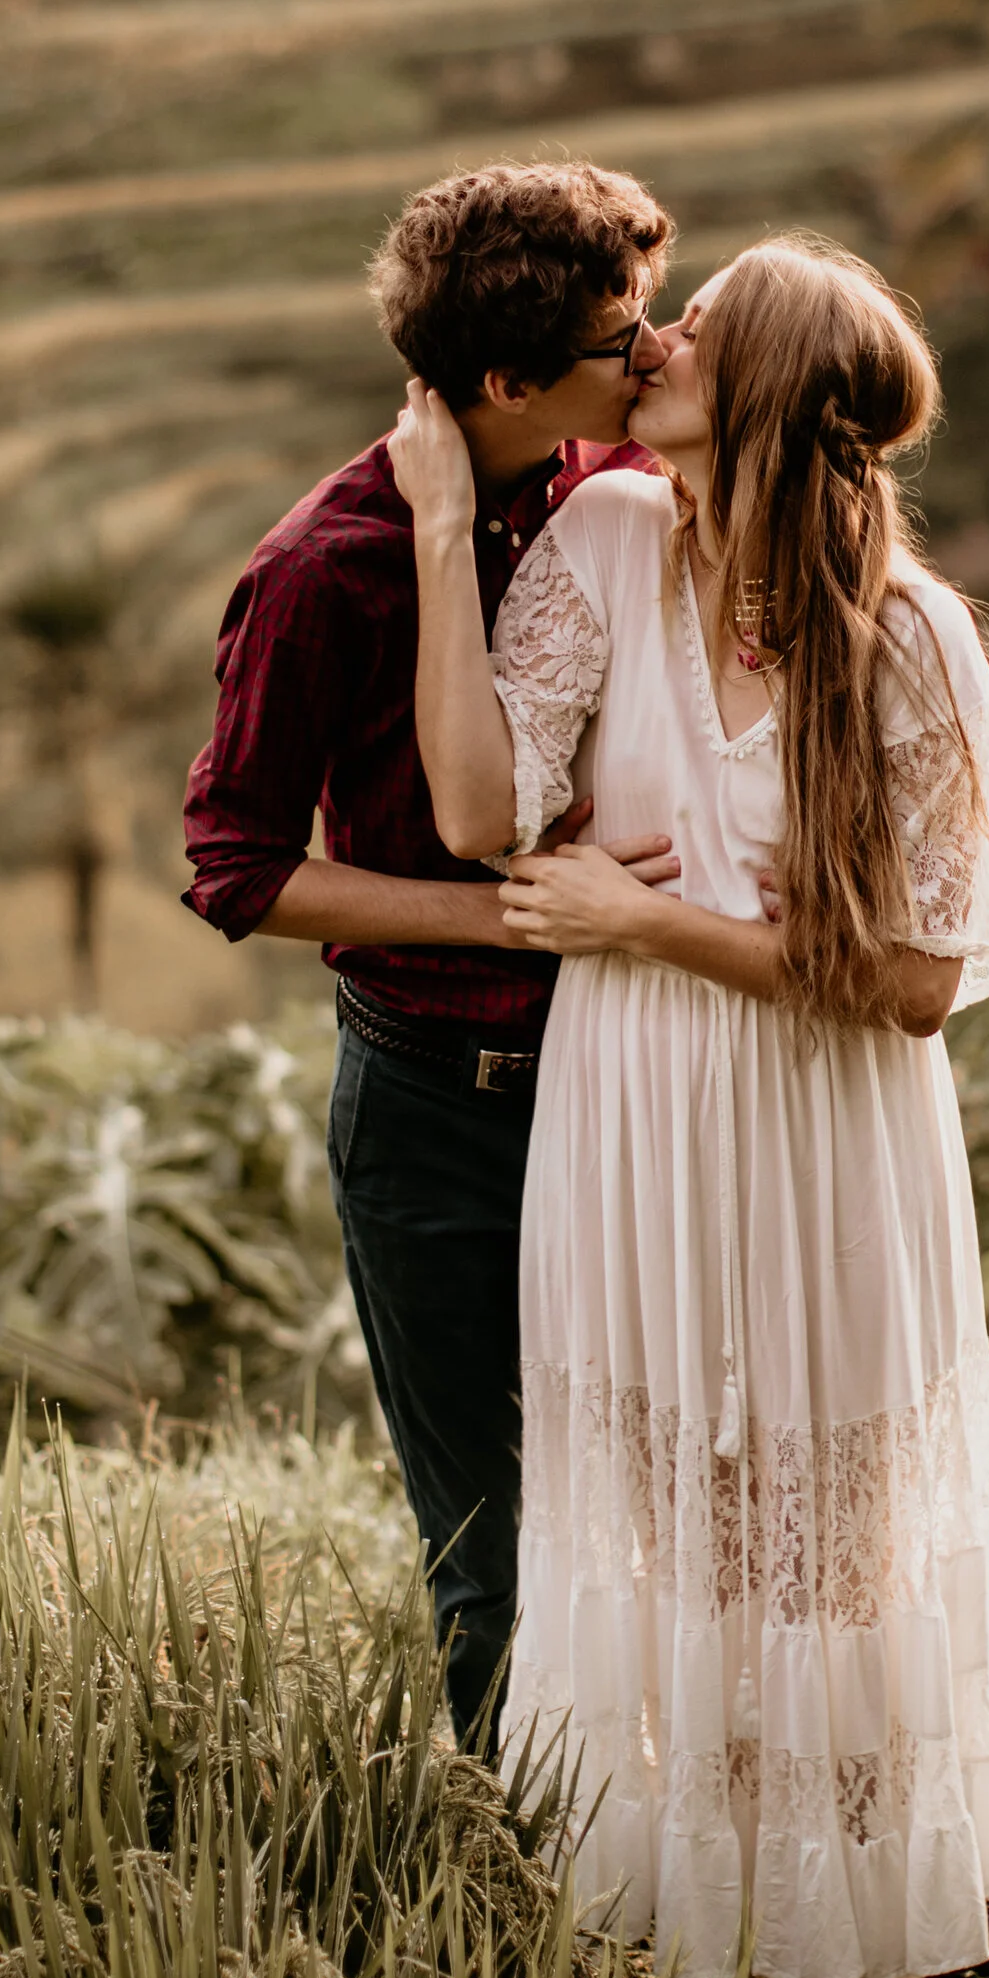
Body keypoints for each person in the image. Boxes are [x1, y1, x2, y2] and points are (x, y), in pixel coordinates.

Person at [392, 233, 989, 1978]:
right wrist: (450, 531)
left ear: (763, 401)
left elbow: (919, 983)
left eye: (703, 327)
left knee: (830, 1532)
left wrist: (644, 913)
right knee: (673, 1498)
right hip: (633, 1128)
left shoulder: (912, 641)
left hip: (831, 1135)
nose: (657, 338)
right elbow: (472, 810)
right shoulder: (604, 543)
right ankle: (702, 1911)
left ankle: (880, 1958)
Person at [182, 160, 675, 1756]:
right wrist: (507, 910)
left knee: (664, 1505)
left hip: (622, 1070)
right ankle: (531, 1897)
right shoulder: (323, 569)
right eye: (624, 335)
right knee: (495, 1553)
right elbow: (237, 869)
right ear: (505, 382)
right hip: (436, 1108)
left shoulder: (604, 475)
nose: (655, 352)